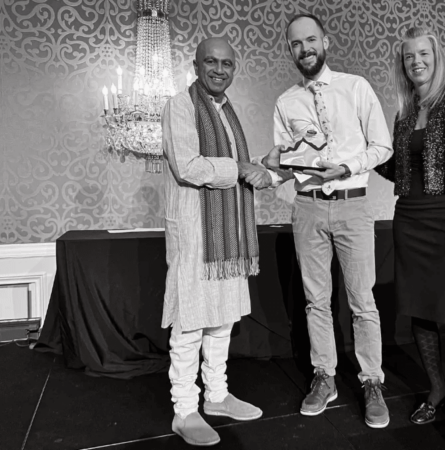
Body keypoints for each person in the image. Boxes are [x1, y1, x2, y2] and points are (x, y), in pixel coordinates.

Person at [261, 13, 394, 429]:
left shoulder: (356, 87)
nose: (305, 49)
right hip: (308, 208)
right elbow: (287, 163)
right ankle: (325, 376)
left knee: (363, 301)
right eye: (296, 44)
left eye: (311, 40)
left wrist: (347, 167)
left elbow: (383, 147)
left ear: (326, 42)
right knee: (315, 300)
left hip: (353, 204)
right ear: (290, 50)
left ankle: (372, 381)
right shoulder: (286, 102)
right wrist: (269, 169)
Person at [160, 37, 275, 446]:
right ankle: (184, 410)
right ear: (196, 66)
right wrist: (242, 168)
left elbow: (233, 167)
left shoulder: (228, 111)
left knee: (222, 319)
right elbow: (188, 167)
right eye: (211, 61)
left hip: (227, 235)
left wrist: (262, 166)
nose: (219, 70)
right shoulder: (180, 105)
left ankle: (217, 395)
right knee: (191, 322)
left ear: (234, 69)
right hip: (195, 232)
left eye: (227, 63)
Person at [375, 26, 445, 441]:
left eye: (423, 54)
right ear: (402, 64)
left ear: (436, 57)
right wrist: (363, 152)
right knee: (419, 308)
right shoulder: (406, 110)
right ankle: (437, 389)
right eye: (409, 56)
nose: (416, 61)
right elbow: (398, 170)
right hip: (409, 218)